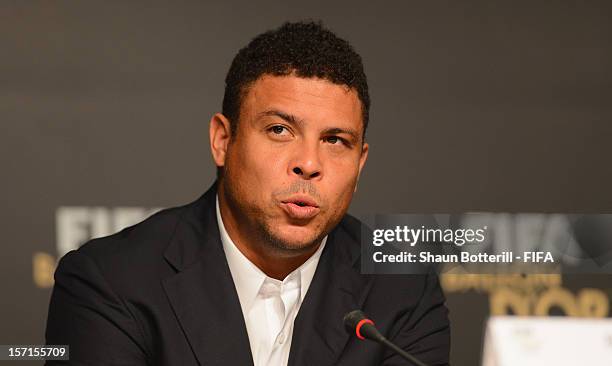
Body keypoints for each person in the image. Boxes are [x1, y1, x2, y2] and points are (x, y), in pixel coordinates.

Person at [45, 21, 450, 366]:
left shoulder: (402, 290)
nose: (309, 163)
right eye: (279, 130)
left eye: (335, 140)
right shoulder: (111, 281)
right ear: (223, 140)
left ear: (360, 164)